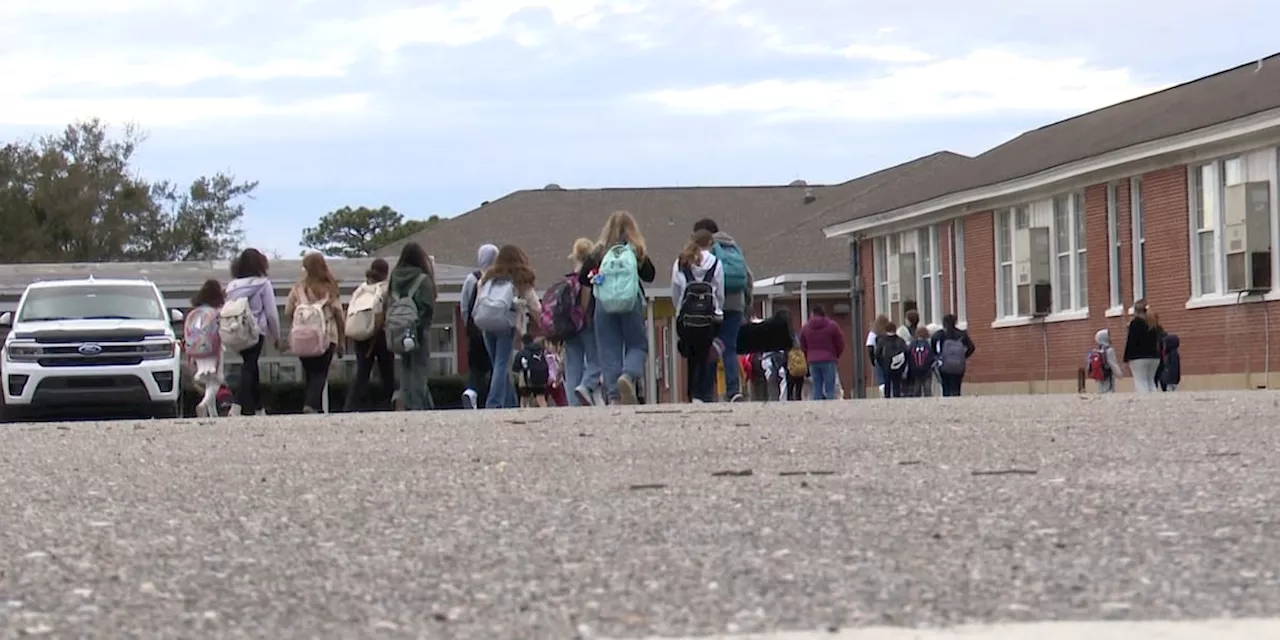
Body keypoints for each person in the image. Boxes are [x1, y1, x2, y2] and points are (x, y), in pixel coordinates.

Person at [579, 211, 656, 405]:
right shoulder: (635, 250)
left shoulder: (599, 252)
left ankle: (614, 396)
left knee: (609, 350)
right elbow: (650, 275)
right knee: (637, 344)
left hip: (603, 305)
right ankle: (628, 375)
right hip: (631, 303)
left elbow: (582, 278)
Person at [693, 218, 753, 402]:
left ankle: (707, 393)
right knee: (730, 348)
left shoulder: (707, 251)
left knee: (710, 346)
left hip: (714, 305)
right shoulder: (734, 248)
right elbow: (748, 279)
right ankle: (734, 390)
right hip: (736, 304)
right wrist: (746, 307)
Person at [474, 244, 541, 409]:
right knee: (502, 364)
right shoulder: (520, 278)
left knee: (497, 364)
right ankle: (494, 402)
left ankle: (510, 402)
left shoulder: (487, 278)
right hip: (506, 323)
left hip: (486, 323)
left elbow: (479, 298)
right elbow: (535, 307)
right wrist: (544, 324)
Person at [285, 252, 346, 413]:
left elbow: (288, 311)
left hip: (302, 338)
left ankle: (314, 407)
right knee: (320, 373)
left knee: (310, 373)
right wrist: (341, 341)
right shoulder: (329, 288)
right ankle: (311, 405)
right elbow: (339, 314)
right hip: (326, 337)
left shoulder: (298, 289)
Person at [224, 249, 279, 416]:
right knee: (249, 366)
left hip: (235, 331)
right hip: (256, 331)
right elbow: (271, 312)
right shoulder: (263, 284)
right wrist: (276, 335)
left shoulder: (232, 286)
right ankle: (237, 404)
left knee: (250, 365)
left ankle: (258, 408)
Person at [672, 229, 724, 403]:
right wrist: (718, 311)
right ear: (710, 243)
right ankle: (705, 392)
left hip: (686, 318)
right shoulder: (716, 263)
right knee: (706, 354)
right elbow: (720, 292)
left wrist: (679, 310)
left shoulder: (680, 262)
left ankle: (692, 394)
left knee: (691, 357)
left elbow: (676, 291)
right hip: (709, 318)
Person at [386, 242, 438, 411]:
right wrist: (421, 326)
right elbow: (427, 307)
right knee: (419, 370)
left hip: (397, 330)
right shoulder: (422, 279)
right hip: (418, 329)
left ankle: (410, 403)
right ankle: (418, 407)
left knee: (405, 369)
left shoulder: (394, 277)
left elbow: (388, 300)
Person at [344, 258, 395, 412]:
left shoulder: (361, 289)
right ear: (386, 273)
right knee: (387, 371)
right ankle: (385, 404)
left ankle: (352, 405)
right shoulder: (386, 288)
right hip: (379, 334)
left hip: (360, 334)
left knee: (362, 371)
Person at [564, 238, 604, 406]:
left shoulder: (570, 277)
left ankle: (574, 404)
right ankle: (586, 385)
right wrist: (584, 313)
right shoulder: (589, 274)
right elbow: (587, 295)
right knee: (596, 359)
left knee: (573, 365)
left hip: (569, 325)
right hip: (586, 321)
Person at [460, 244, 499, 409]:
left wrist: (468, 326)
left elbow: (464, 306)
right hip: (496, 328)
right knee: (497, 366)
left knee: (476, 367)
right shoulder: (500, 278)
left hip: (476, 329)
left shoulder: (472, 278)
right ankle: (495, 399)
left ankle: (471, 392)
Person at [184, 279, 226, 418]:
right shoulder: (216, 312)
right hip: (213, 349)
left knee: (208, 381)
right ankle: (204, 404)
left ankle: (212, 413)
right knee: (216, 380)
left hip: (197, 349)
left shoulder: (196, 312)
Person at [799, 305, 845, 400]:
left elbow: (803, 345)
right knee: (830, 388)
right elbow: (840, 342)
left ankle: (817, 410)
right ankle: (830, 409)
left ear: (812, 314)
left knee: (817, 387)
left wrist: (808, 356)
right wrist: (836, 354)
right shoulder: (833, 326)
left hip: (813, 360)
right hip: (829, 359)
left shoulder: (805, 328)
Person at [931, 313, 975, 397]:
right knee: (957, 385)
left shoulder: (939, 334)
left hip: (944, 364)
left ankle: (947, 403)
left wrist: (937, 357)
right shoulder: (962, 334)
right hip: (959, 364)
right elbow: (971, 347)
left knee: (945, 385)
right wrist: (964, 357)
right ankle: (956, 401)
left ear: (943, 323)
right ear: (955, 322)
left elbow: (933, 348)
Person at [1123, 299, 1161, 393]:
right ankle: (1155, 401)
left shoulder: (1135, 323)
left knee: (1140, 381)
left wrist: (1126, 357)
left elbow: (1131, 341)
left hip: (1138, 357)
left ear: (1135, 310)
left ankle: (1144, 403)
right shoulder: (1153, 323)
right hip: (1154, 357)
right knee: (1151, 381)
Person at [513, 334, 551, 408]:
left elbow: (516, 369)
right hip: (542, 378)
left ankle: (523, 412)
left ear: (523, 343)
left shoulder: (522, 353)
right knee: (541, 398)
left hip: (528, 378)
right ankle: (547, 414)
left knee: (524, 399)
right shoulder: (540, 351)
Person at [875, 321, 909, 398]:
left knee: (887, 384)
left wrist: (882, 364)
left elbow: (877, 354)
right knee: (896, 384)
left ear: (886, 330)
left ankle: (887, 399)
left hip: (886, 366)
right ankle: (896, 398)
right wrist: (902, 366)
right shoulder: (900, 340)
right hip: (898, 365)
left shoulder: (882, 341)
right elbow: (906, 353)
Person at [1087, 329, 1125, 393]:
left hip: (1100, 374)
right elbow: (1113, 364)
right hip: (1108, 373)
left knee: (1102, 388)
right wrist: (1119, 374)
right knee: (1109, 389)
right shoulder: (1109, 350)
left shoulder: (1097, 351)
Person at [867, 314, 889, 397]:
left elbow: (870, 347)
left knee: (880, 378)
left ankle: (882, 393)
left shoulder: (873, 333)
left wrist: (872, 360)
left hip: (878, 358)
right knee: (887, 377)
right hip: (888, 358)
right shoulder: (888, 332)